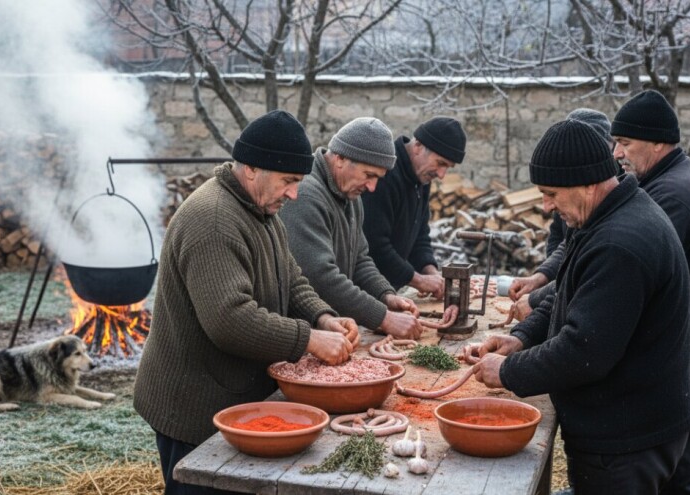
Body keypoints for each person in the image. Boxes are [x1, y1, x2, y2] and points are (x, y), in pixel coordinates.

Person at [134, 110, 360, 495]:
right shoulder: (215, 220)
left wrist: (323, 318)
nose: (294, 193)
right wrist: (309, 339)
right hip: (191, 406)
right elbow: (229, 319)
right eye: (289, 181)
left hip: (230, 396)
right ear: (253, 169)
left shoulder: (261, 208)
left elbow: (291, 279)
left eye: (299, 182)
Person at [473, 119, 690, 494]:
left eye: (551, 194)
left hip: (627, 437)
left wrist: (509, 371)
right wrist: (523, 337)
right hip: (623, 424)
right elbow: (568, 295)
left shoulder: (620, 243)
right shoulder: (603, 218)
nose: (545, 206)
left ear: (588, 182)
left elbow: (584, 352)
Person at [611, 90, 690, 495]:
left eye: (625, 143)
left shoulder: (674, 195)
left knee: (681, 468)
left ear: (657, 142)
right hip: (683, 345)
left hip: (689, 351)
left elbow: (634, 271)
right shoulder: (665, 182)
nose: (617, 152)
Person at [280, 117, 424, 340]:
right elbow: (320, 277)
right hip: (304, 334)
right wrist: (383, 317)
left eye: (378, 178)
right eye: (369, 175)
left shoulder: (351, 195)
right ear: (340, 158)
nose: (373, 187)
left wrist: (385, 295)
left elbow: (360, 259)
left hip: (334, 330)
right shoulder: (306, 194)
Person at [509, 108, 617, 320]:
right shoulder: (568, 189)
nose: (547, 206)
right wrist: (543, 277)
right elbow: (564, 241)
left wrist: (539, 298)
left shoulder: (613, 226)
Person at [361, 117, 468, 300]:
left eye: (448, 167)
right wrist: (417, 280)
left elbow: (419, 235)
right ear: (418, 146)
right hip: (364, 290)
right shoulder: (385, 174)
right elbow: (375, 246)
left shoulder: (421, 177)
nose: (442, 175)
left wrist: (432, 272)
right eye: (440, 163)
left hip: (391, 288)